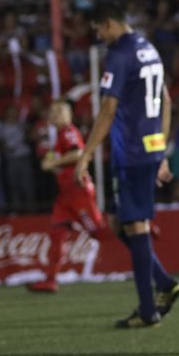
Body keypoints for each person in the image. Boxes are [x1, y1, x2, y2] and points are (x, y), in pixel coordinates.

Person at [74, 2, 179, 328]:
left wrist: (86, 153)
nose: (98, 35)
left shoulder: (120, 54)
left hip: (132, 152)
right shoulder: (148, 48)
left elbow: (108, 110)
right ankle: (164, 283)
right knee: (118, 221)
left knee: (135, 226)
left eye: (98, 29)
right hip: (148, 148)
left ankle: (148, 310)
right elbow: (167, 100)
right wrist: (161, 149)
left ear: (109, 23)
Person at [28, 100, 108, 293]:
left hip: (78, 191)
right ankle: (50, 280)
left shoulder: (68, 131)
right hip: (66, 196)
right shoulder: (58, 136)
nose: (53, 116)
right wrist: (51, 163)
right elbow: (59, 160)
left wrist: (54, 162)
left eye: (57, 112)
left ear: (67, 115)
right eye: (51, 112)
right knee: (57, 234)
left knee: (97, 232)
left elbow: (78, 153)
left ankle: (136, 231)